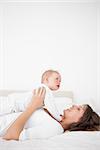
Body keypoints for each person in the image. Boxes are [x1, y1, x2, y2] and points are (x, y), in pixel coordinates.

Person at [1, 87, 100, 141]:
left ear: (80, 121)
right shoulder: (55, 113)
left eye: (78, 109)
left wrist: (32, 107)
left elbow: (10, 136)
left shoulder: (54, 128)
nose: (74, 106)